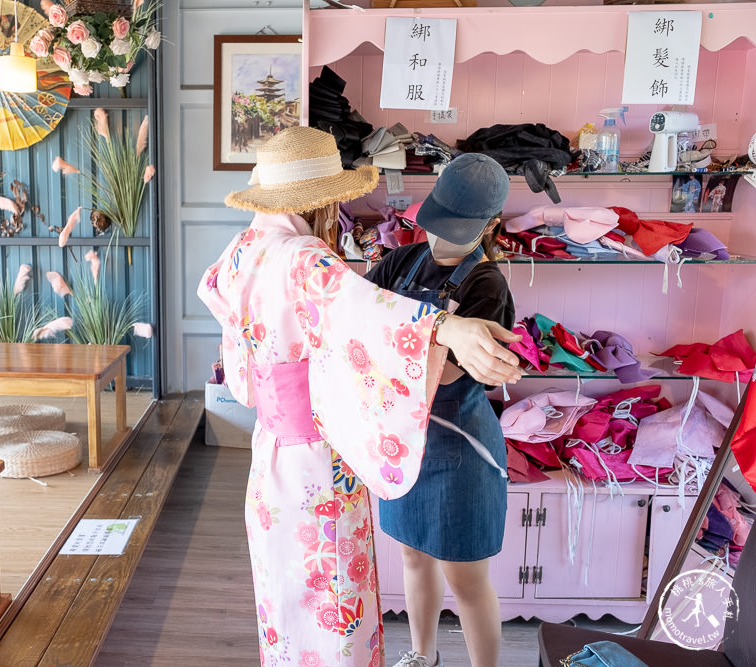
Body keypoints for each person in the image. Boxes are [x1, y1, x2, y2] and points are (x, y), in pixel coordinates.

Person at [197, 127, 521, 667]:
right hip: (320, 453)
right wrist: (447, 329)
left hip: (274, 450)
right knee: (333, 593)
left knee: (288, 595)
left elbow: (232, 328)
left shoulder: (243, 251)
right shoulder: (303, 258)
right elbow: (365, 313)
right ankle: (415, 654)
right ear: (320, 200)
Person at [363, 153, 514, 667]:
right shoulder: (400, 262)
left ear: (489, 227)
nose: (437, 238)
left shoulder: (487, 285)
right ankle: (421, 656)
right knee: (411, 554)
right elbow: (356, 317)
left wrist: (392, 339)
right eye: (435, 224)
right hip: (404, 441)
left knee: (465, 578)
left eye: (455, 230)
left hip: (458, 448)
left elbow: (448, 373)